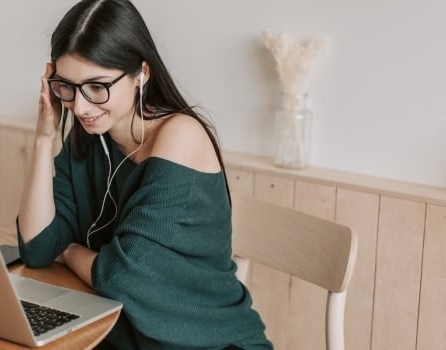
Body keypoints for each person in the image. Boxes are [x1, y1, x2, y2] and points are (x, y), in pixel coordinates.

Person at [17, 1, 272, 349]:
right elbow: (36, 248)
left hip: (208, 343)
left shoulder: (181, 135)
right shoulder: (91, 135)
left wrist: (69, 250)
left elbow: (119, 275)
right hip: (122, 337)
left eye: (97, 86)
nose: (80, 106)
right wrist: (44, 138)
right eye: (67, 87)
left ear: (141, 74)